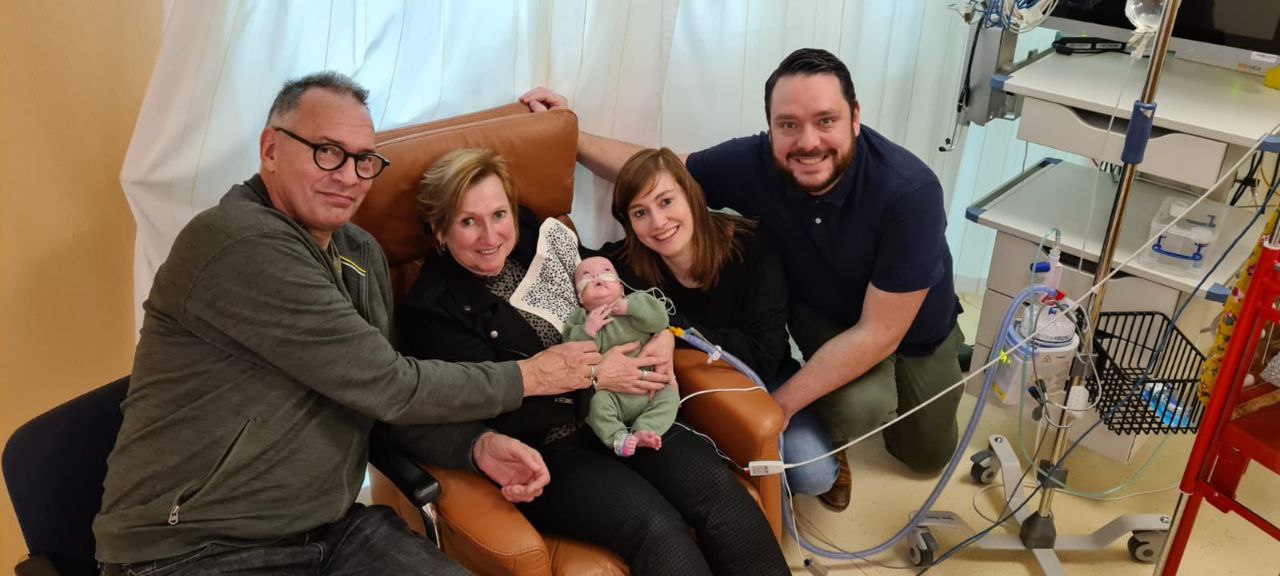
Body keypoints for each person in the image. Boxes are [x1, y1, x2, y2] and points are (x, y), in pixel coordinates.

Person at [93, 72, 598, 576]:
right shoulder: (238, 242)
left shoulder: (360, 254)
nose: (349, 176)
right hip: (198, 548)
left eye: (363, 160)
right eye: (327, 152)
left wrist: (473, 446)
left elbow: (386, 402)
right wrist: (532, 375)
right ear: (271, 149)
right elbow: (391, 384)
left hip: (331, 530)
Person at [523, 46, 965, 512]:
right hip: (825, 314)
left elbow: (879, 332)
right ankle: (837, 440)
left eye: (825, 120)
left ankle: (947, 360)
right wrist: (566, 133)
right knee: (859, 406)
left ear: (855, 117)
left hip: (910, 328)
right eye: (788, 124)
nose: (807, 141)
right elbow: (660, 173)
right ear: (771, 127)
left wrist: (776, 412)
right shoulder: (754, 164)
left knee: (925, 456)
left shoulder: (909, 192)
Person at [395, 147, 789, 575]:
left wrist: (663, 333)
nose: (491, 236)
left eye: (499, 214)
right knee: (656, 527)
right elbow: (498, 409)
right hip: (554, 447)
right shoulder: (433, 311)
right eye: (468, 222)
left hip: (631, 410)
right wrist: (596, 379)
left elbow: (611, 282)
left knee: (719, 493)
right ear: (440, 231)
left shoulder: (534, 234)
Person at [595, 147, 839, 495]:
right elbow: (573, 258)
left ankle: (835, 452)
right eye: (640, 212)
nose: (658, 222)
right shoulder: (627, 263)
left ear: (692, 195)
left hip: (762, 378)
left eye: (666, 201)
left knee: (814, 474)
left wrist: (674, 331)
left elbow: (763, 354)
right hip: (691, 387)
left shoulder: (752, 245)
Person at [565, 256, 676, 457]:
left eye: (606, 272)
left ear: (622, 288)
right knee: (594, 405)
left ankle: (646, 429)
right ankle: (617, 437)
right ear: (580, 298)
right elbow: (573, 354)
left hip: (650, 387)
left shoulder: (637, 304)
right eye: (586, 276)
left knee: (670, 395)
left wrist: (629, 307)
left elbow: (660, 320)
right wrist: (588, 330)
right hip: (610, 393)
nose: (596, 276)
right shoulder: (580, 319)